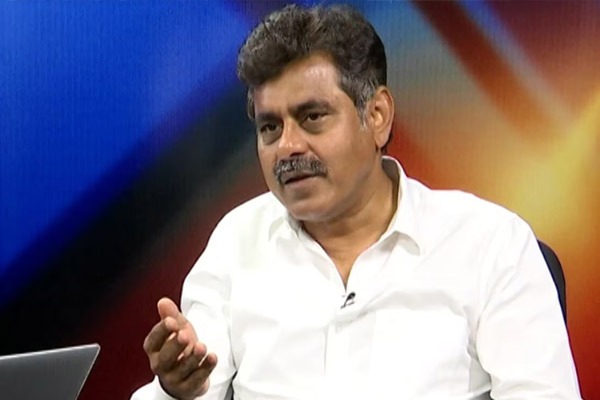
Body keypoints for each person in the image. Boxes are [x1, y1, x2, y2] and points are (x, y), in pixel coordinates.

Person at [131, 4, 581, 400]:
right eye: (270, 127)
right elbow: (195, 379)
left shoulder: (490, 244)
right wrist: (176, 390)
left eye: (312, 117)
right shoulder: (237, 242)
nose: (287, 146)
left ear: (377, 116)